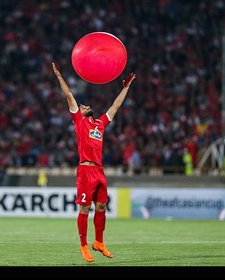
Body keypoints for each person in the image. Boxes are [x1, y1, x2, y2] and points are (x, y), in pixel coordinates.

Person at [52, 62, 136, 263]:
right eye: (82, 106)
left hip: (99, 171)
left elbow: (115, 106)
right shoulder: (79, 121)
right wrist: (59, 76)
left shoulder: (100, 123)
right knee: (84, 209)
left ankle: (99, 242)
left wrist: (126, 87)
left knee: (101, 208)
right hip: (85, 170)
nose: (85, 106)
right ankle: (83, 245)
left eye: (86, 106)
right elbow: (69, 96)